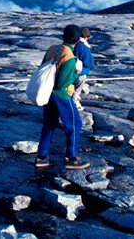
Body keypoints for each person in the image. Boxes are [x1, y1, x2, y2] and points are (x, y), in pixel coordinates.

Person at [35, 24, 90, 170]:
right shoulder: (70, 58)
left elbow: (43, 67)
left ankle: (42, 156)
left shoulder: (53, 48)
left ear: (63, 36)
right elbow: (62, 83)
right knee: (74, 124)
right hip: (61, 95)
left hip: (47, 92)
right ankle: (71, 158)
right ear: (78, 40)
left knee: (49, 124)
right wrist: (76, 72)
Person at [72, 28, 95, 111]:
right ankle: (74, 105)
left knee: (71, 88)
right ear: (86, 36)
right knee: (77, 90)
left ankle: (74, 102)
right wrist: (91, 66)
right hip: (81, 72)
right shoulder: (84, 47)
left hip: (71, 70)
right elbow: (88, 62)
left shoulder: (73, 43)